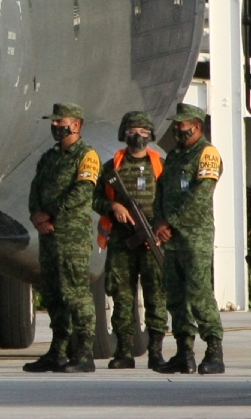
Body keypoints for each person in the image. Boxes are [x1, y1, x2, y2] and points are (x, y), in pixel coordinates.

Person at [23, 102, 101, 373]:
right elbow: (35, 188)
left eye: (61, 121)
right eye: (53, 122)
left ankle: (84, 353)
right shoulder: (49, 157)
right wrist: (36, 214)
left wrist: (50, 215)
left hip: (72, 236)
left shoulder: (86, 155)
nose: (56, 126)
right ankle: (57, 351)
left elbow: (82, 192)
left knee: (76, 294)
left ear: (76, 124)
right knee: (54, 293)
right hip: (49, 237)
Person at [153, 103, 225, 374]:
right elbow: (160, 192)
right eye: (176, 124)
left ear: (196, 126)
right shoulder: (173, 157)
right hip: (172, 238)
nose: (177, 129)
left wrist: (170, 222)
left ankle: (214, 351)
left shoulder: (207, 154)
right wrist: (159, 222)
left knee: (198, 292)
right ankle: (184, 353)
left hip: (195, 236)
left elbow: (201, 195)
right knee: (175, 294)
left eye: (182, 125)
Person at [92, 110, 167, 370]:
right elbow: (95, 198)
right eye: (133, 131)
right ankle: (124, 350)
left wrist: (160, 230)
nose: (138, 136)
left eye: (143, 132)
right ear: (124, 134)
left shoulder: (160, 165)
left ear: (151, 135)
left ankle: (156, 350)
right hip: (122, 241)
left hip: (152, 240)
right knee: (122, 296)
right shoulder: (112, 167)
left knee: (155, 294)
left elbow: (171, 201)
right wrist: (113, 206)